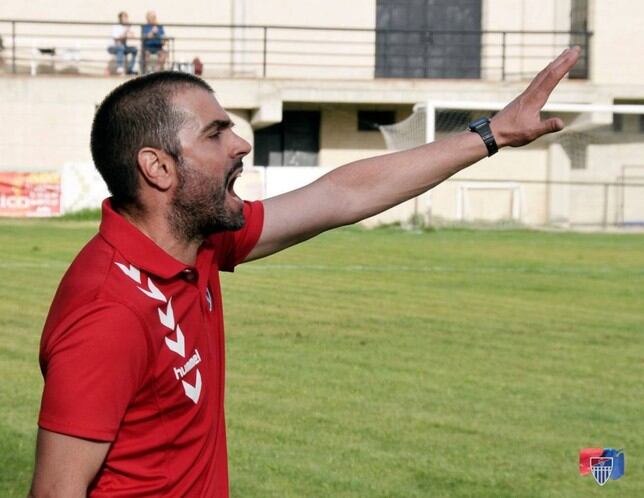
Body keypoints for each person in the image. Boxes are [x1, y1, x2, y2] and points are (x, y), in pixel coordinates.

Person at [29, 47, 581, 497]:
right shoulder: (109, 313)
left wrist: (492, 135)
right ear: (158, 167)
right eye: (216, 133)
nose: (241, 143)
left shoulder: (198, 244)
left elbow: (340, 195)